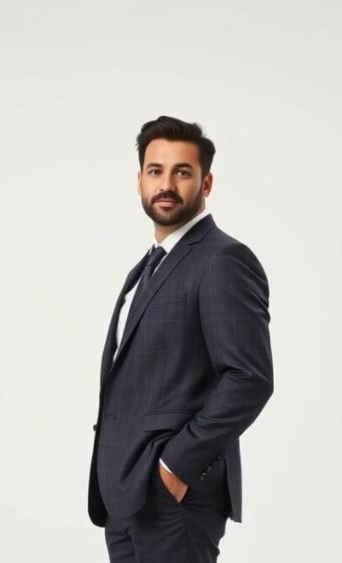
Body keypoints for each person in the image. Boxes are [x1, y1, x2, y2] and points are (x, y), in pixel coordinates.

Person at [88, 116, 274, 563]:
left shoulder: (223, 259)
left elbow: (249, 378)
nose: (166, 184)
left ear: (206, 182)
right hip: (124, 494)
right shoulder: (146, 268)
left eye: (182, 172)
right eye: (155, 171)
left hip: (175, 499)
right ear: (139, 182)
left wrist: (175, 468)